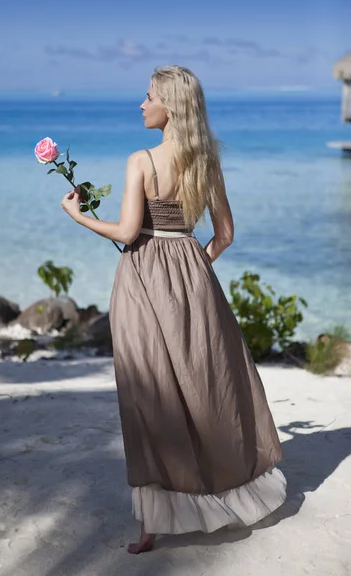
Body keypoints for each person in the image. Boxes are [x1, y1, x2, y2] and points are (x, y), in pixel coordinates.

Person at [61, 65, 287, 555]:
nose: (141, 105)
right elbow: (224, 235)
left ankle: (151, 526)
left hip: (142, 280)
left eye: (147, 97)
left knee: (150, 397)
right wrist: (193, 269)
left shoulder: (140, 159)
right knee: (206, 388)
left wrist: (80, 217)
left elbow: (126, 233)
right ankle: (223, 490)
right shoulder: (207, 160)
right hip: (194, 277)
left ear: (169, 105)